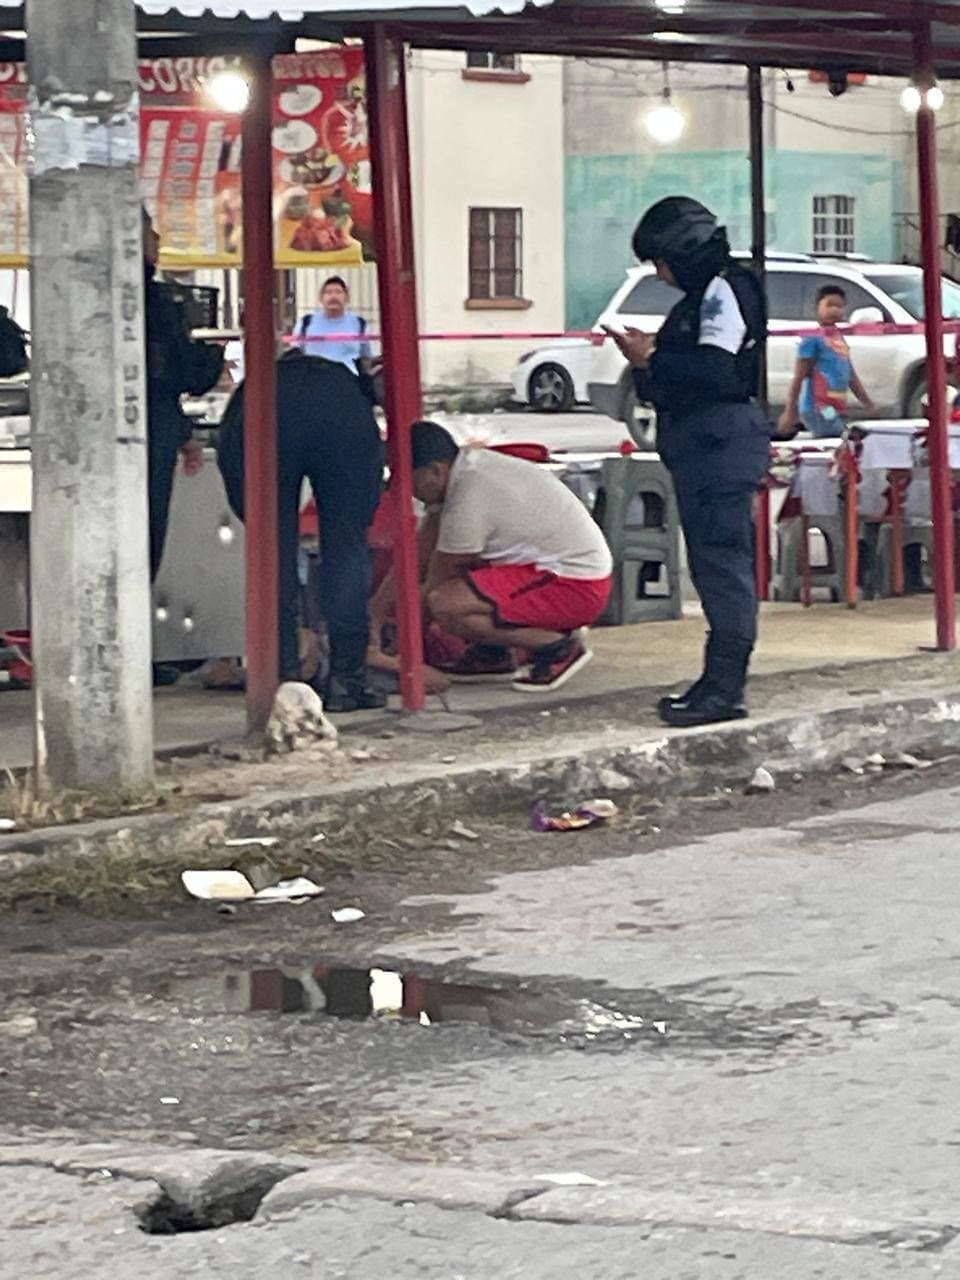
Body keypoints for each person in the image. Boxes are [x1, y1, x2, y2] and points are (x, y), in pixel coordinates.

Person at [607, 195, 769, 728]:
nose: (662, 272)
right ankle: (716, 680)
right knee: (711, 562)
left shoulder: (724, 291)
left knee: (723, 566)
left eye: (662, 260)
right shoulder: (705, 296)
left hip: (718, 446)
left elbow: (715, 372)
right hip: (703, 447)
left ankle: (725, 687)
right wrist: (651, 362)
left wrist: (654, 357)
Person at [217, 349, 386, 713]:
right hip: (342, 409)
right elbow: (362, 506)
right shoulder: (342, 386)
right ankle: (348, 679)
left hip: (267, 404)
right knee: (346, 546)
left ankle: (282, 679)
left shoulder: (260, 386)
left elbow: (234, 469)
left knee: (273, 547)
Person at [410, 422, 613, 692]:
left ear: (434, 471)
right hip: (558, 570)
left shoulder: (468, 497)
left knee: (446, 604)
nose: (400, 486)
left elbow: (436, 578)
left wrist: (404, 648)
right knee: (457, 588)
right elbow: (419, 556)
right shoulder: (466, 470)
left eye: (404, 476)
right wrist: (379, 612)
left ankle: (557, 647)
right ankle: (494, 652)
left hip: (574, 584)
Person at [143, 207, 224, 583]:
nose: (157, 241)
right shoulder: (161, 304)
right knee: (148, 533)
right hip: (154, 435)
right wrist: (213, 355)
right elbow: (181, 375)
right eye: (150, 232)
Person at [778, 285, 875, 439]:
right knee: (836, 437)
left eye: (839, 306)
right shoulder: (812, 339)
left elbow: (850, 376)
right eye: (829, 305)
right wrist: (790, 411)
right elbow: (799, 377)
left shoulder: (839, 338)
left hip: (834, 407)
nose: (835, 310)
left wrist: (868, 404)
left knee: (839, 439)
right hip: (818, 407)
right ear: (817, 307)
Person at [295, 276, 372, 376]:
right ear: (321, 298)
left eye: (338, 292)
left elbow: (367, 357)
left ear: (347, 297)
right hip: (314, 382)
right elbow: (295, 355)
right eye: (328, 292)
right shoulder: (306, 323)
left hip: (349, 382)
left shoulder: (359, 324)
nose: (333, 296)